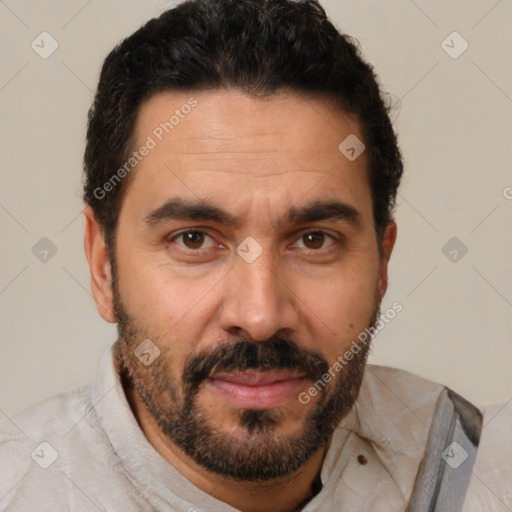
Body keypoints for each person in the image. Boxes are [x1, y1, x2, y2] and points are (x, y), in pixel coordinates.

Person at [0, 1, 510, 510]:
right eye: (194, 240)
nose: (261, 316)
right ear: (103, 267)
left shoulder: (479, 473)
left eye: (314, 240)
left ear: (382, 264)